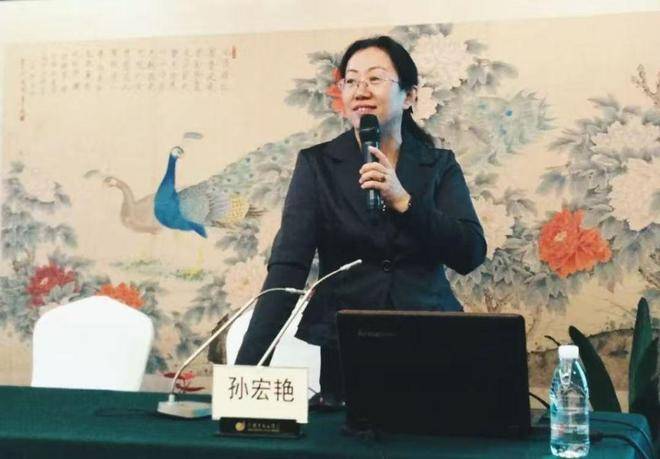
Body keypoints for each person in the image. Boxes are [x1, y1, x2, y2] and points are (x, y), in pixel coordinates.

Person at [235, 35, 486, 405]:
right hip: (346, 345)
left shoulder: (438, 165)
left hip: (431, 338)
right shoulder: (317, 165)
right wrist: (247, 373)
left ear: (409, 96)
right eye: (351, 81)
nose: (361, 90)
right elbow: (288, 268)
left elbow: (470, 253)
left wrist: (404, 202)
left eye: (375, 78)